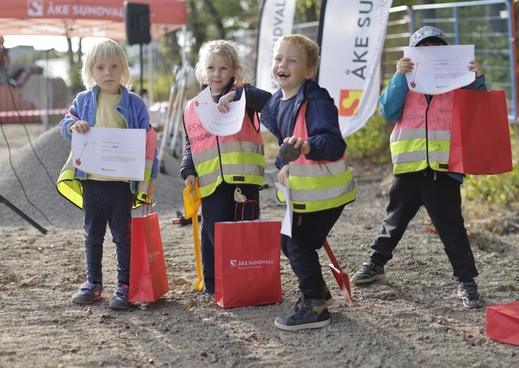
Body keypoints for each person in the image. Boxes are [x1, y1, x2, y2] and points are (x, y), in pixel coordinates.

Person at [351, 26, 485, 309]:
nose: (430, 54)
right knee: (394, 221)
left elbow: (478, 110)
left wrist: (477, 79)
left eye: (437, 48)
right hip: (409, 170)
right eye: (422, 49)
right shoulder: (404, 81)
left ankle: (467, 281)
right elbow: (387, 110)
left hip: (443, 170)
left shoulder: (458, 84)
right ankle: (375, 264)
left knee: (452, 229)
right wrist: (400, 75)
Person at [260, 34, 356, 331]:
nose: (282, 65)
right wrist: (282, 164)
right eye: (278, 59)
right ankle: (318, 291)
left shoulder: (316, 101)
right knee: (289, 242)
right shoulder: (278, 102)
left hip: (327, 193)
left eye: (291, 61)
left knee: (298, 244)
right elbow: (284, 146)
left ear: (309, 71)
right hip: (305, 194)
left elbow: (333, 144)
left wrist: (307, 146)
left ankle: (314, 305)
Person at [58, 38, 158, 310]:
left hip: (121, 184)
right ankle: (93, 283)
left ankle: (125, 285)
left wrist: (149, 181)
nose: (108, 72)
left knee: (123, 236)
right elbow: (64, 123)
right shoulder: (83, 100)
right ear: (90, 70)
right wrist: (72, 126)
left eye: (114, 66)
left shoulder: (135, 103)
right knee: (92, 234)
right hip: (91, 181)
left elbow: (149, 143)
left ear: (124, 68)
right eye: (100, 67)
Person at [180, 39, 271, 296]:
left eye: (223, 68)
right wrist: (188, 171)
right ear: (202, 71)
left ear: (234, 71)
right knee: (213, 231)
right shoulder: (193, 107)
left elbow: (270, 101)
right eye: (211, 68)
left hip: (244, 180)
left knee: (245, 228)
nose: (216, 74)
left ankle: (248, 277)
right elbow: (191, 144)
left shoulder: (246, 95)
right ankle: (214, 284)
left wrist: (238, 95)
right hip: (210, 182)